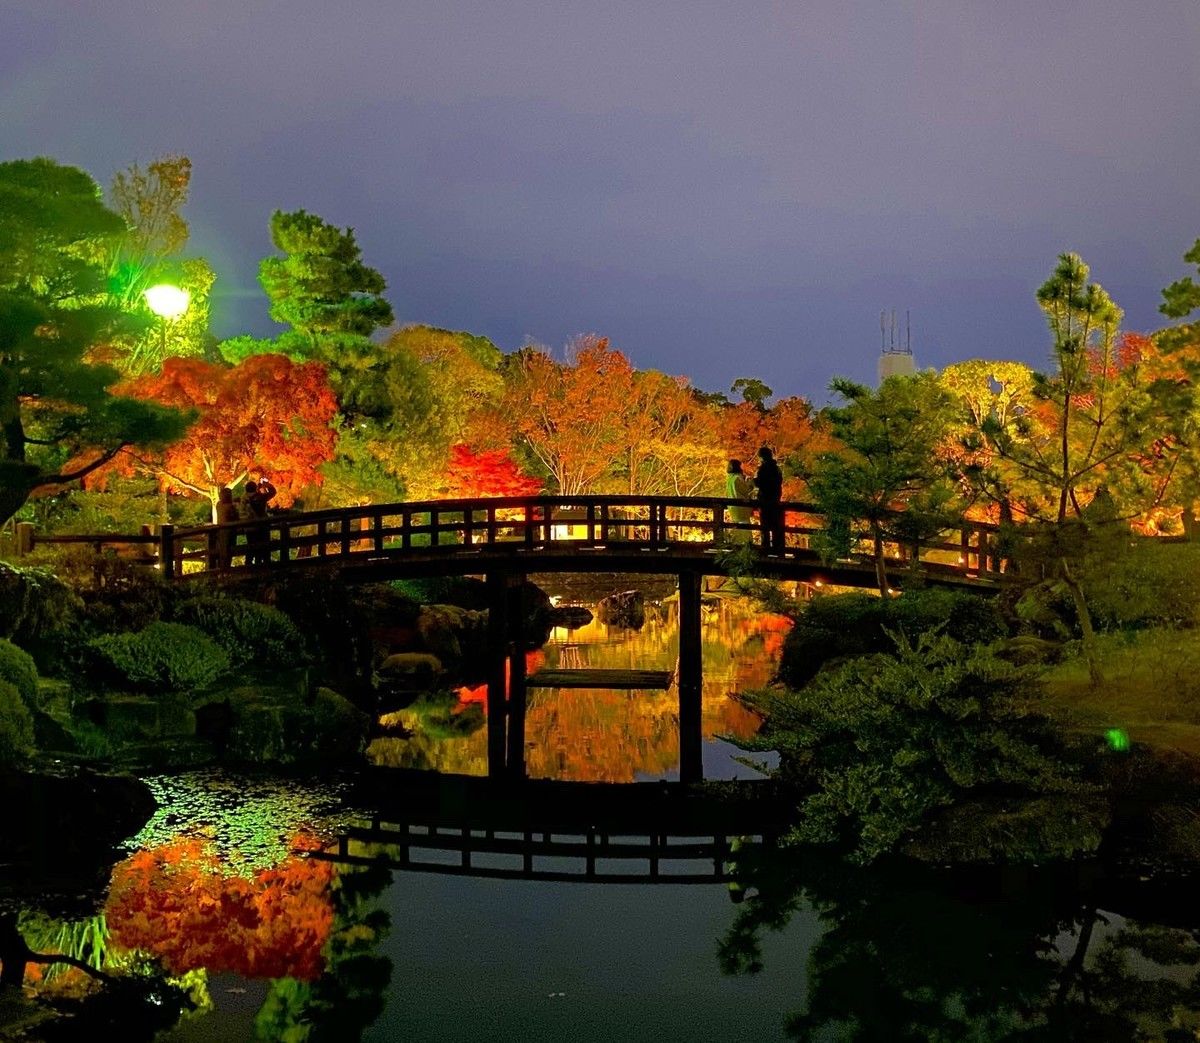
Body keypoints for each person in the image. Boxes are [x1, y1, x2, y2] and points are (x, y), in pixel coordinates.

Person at [753, 446, 785, 554]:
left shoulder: (763, 468)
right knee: (776, 525)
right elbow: (779, 481)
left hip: (765, 500)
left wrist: (754, 480)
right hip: (775, 499)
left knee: (765, 526)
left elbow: (760, 483)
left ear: (761, 457)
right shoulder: (776, 468)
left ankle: (765, 548)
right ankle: (778, 549)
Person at [241, 475, 277, 565]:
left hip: (249, 527)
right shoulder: (260, 497)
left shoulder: (243, 499)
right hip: (262, 526)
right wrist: (266, 485)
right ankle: (265, 566)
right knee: (264, 547)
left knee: (251, 547)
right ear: (255, 488)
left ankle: (248, 567)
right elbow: (273, 492)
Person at [725, 459, 754, 542]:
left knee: (737, 526)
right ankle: (745, 545)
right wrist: (750, 483)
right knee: (744, 527)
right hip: (741, 507)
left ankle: (736, 543)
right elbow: (745, 490)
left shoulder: (729, 478)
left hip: (732, 507)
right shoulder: (737, 477)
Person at [214, 486, 236, 568]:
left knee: (222, 550)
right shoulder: (230, 507)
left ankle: (221, 569)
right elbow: (235, 517)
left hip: (220, 531)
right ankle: (226, 568)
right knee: (229, 550)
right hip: (230, 531)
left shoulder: (218, 505)